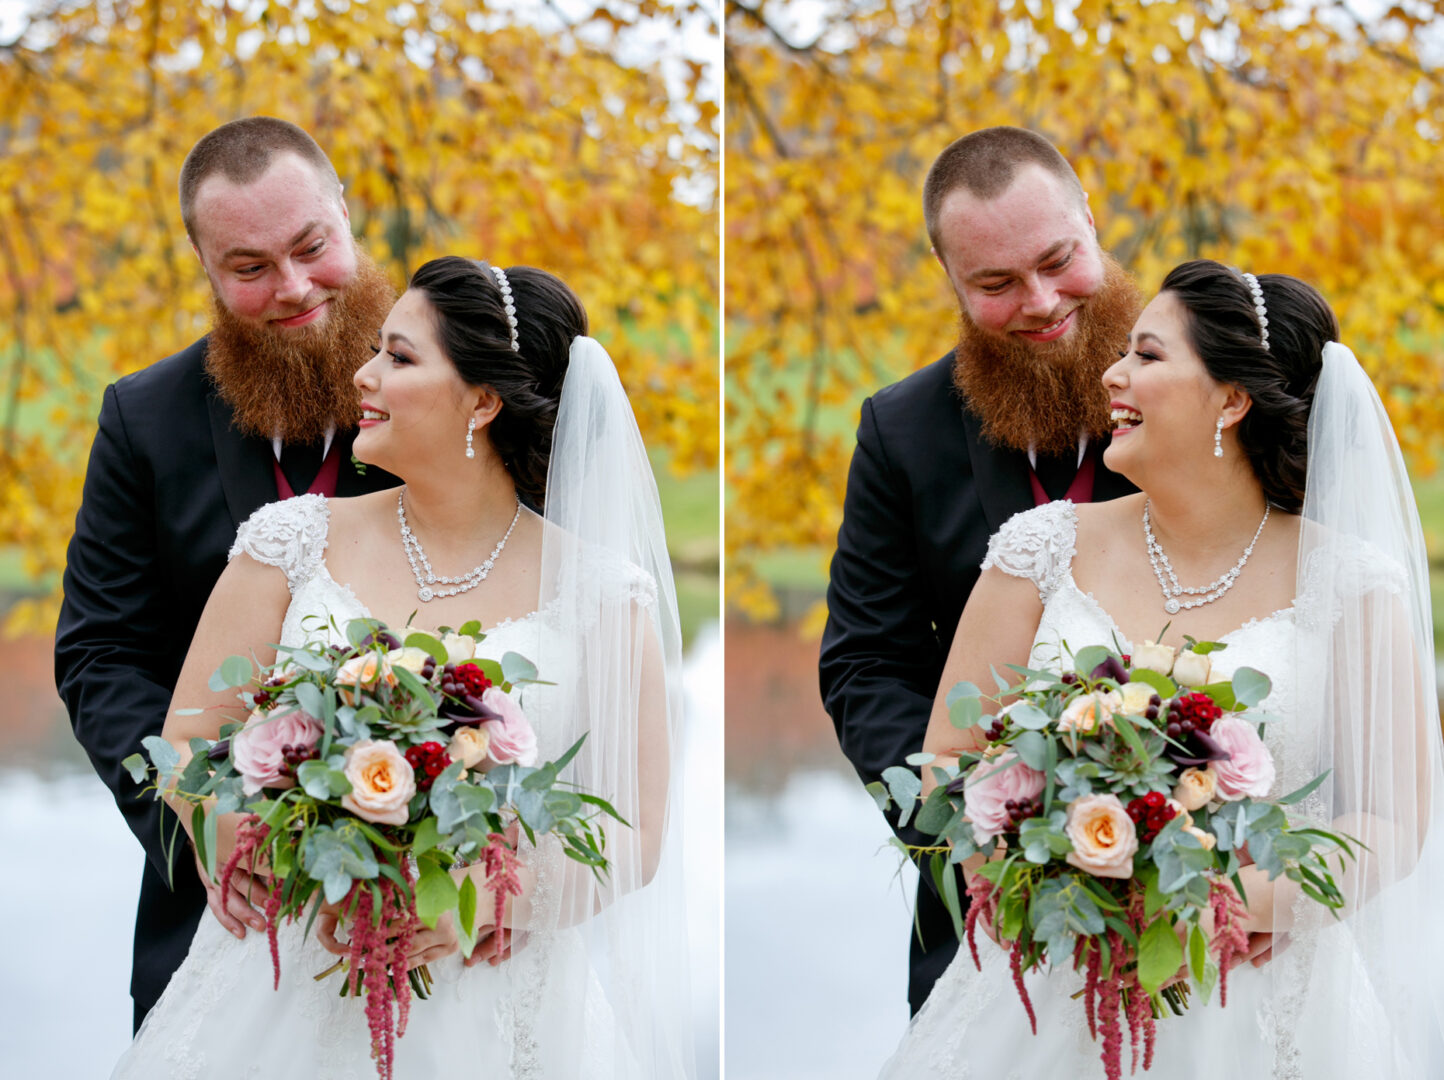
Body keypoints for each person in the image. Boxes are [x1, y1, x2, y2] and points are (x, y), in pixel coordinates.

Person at [110, 256, 694, 1077]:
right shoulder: (290, 541)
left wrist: (479, 901)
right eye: (378, 350)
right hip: (285, 972)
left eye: (400, 356)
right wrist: (250, 836)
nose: (364, 373)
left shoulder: (602, 596)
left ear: (483, 402)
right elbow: (185, 742)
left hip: (492, 997)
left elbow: (632, 838)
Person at [879, 259, 1444, 1076]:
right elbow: (948, 764)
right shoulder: (1040, 550)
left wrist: (1221, 905)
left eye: (1147, 356)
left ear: (1231, 398)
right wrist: (1034, 882)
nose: (1112, 372)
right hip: (1045, 984)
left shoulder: (1351, 584)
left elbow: (1394, 824)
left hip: (1259, 993)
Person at [55, 116, 400, 1031]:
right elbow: (100, 657)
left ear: (346, 216)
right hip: (213, 919)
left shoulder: (455, 391)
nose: (292, 288)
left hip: (427, 915)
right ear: (207, 271)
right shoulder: (143, 420)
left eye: (310, 248)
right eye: (248, 268)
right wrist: (199, 811)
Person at [819, 126, 1141, 1013]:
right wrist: (966, 826)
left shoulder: (1202, 394)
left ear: (1091, 223)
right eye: (995, 284)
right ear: (953, 285)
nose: (1039, 301)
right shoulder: (901, 431)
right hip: (980, 913)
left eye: (1057, 260)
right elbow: (866, 663)